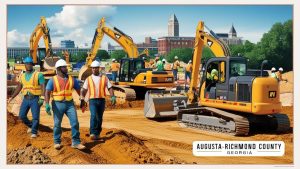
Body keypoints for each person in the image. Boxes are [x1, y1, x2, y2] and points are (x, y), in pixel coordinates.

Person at [45, 59, 85, 150]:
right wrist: (47, 104)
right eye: (64, 67)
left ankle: (76, 142)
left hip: (70, 104)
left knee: (75, 123)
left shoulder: (72, 79)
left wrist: (82, 100)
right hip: (57, 104)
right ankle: (57, 142)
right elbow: (47, 92)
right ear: (59, 69)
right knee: (57, 124)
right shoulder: (53, 80)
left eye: (66, 67)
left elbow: (79, 91)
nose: (66, 68)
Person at [7, 56, 46, 138]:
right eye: (26, 64)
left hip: (35, 99)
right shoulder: (22, 75)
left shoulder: (38, 75)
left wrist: (42, 97)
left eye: (30, 63)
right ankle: (32, 126)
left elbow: (43, 86)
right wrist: (12, 97)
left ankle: (34, 132)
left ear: (32, 64)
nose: (28, 65)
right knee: (22, 116)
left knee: (35, 117)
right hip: (26, 98)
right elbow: (19, 87)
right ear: (24, 65)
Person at [80, 60, 116, 140]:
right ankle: (92, 133)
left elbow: (110, 87)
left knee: (99, 117)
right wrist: (82, 99)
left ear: (98, 68)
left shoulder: (104, 78)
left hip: (101, 100)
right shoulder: (88, 79)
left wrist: (112, 96)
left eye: (95, 68)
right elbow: (84, 90)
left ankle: (97, 133)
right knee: (93, 116)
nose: (94, 69)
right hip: (92, 100)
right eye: (92, 68)